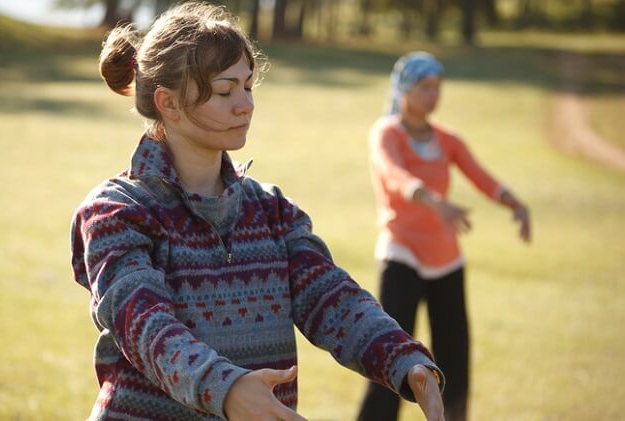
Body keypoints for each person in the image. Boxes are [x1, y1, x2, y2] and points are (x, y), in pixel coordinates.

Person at [70, 4, 446, 421]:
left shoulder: (271, 212)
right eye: (225, 90)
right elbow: (144, 327)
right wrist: (225, 388)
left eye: (248, 86)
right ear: (169, 103)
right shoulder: (118, 212)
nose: (245, 104)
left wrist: (404, 360)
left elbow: (332, 299)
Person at [357, 52, 531, 421]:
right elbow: (394, 174)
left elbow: (480, 175)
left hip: (447, 261)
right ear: (405, 89)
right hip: (402, 255)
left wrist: (515, 203)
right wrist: (434, 201)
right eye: (425, 87)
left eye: (438, 87)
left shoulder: (446, 138)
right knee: (389, 356)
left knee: (453, 360)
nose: (433, 95)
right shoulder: (387, 131)